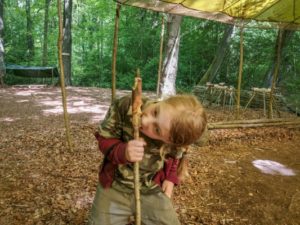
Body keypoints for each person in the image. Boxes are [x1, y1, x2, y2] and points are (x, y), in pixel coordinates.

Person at [88, 93, 207, 225]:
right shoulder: (127, 104)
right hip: (114, 186)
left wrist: (170, 178)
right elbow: (104, 138)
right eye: (156, 112)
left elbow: (176, 155)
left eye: (156, 129)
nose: (145, 121)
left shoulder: (176, 138)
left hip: (150, 188)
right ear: (164, 101)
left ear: (169, 142)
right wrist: (122, 151)